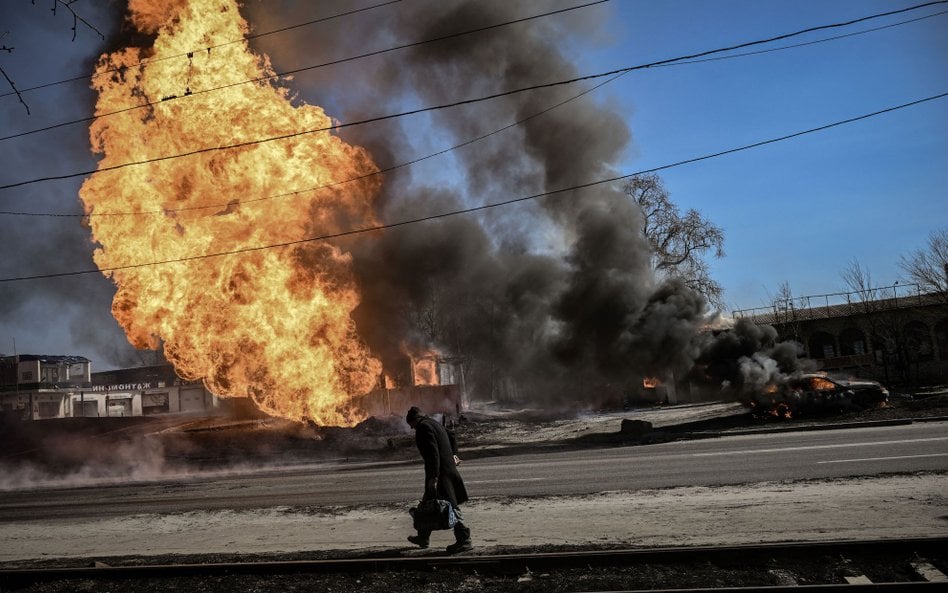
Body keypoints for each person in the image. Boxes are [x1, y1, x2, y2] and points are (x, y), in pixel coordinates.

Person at [405, 406, 472, 553]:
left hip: (441, 473)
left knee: (450, 506)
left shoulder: (423, 427)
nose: (412, 428)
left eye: (411, 425)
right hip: (447, 469)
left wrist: (434, 477)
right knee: (427, 504)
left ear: (415, 420)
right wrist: (455, 455)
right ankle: (423, 537)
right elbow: (452, 435)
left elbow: (432, 454)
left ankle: (464, 540)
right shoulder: (434, 423)